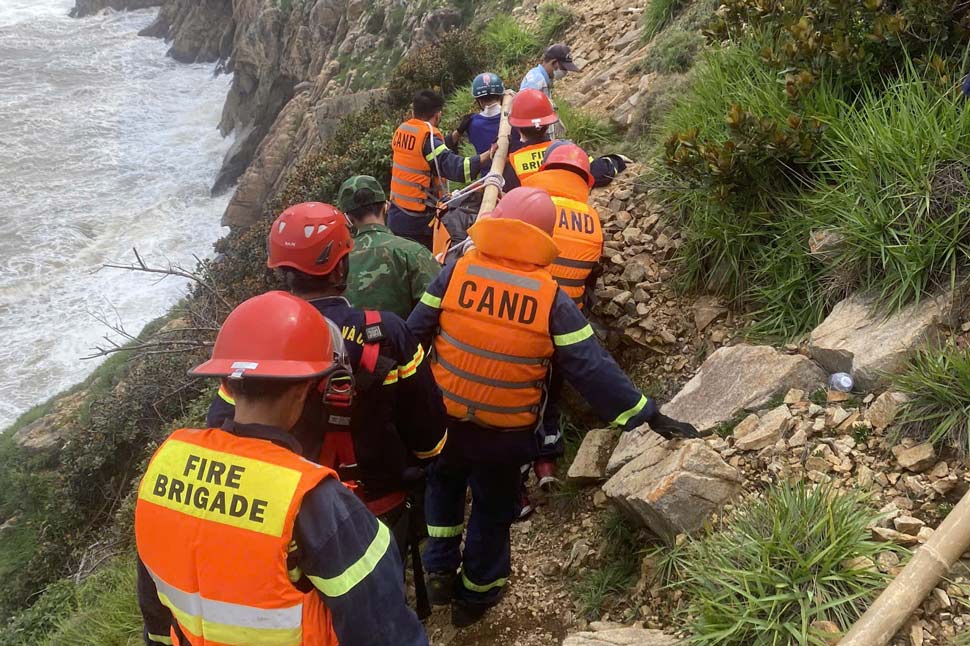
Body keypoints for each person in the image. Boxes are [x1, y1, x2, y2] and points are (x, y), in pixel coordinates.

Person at [407, 187, 699, 628]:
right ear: (544, 237)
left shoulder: (456, 272)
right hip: (503, 438)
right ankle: (475, 597)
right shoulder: (550, 297)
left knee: (443, 487)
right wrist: (648, 414)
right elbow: (592, 368)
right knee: (490, 508)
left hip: (444, 423)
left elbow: (414, 333)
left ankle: (440, 570)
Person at [135, 290, 428, 646]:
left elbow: (156, 620)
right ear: (307, 386)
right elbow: (385, 632)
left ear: (226, 382)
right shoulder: (317, 501)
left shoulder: (165, 468)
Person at [205, 203, 448, 611]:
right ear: (340, 269)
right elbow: (431, 438)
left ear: (282, 271)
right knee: (379, 612)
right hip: (378, 507)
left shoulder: (257, 344)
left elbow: (222, 427)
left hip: (286, 516)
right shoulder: (386, 333)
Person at [388, 89, 496, 250]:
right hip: (418, 222)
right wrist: (489, 154)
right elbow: (457, 168)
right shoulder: (427, 140)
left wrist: (457, 133)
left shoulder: (404, 131)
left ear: (413, 112)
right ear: (438, 115)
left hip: (397, 214)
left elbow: (431, 154)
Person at [338, 175, 441, 319]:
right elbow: (439, 307)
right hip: (406, 340)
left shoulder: (338, 263)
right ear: (386, 207)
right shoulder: (414, 253)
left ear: (348, 218)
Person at [504, 90, 630, 191]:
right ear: (548, 124)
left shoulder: (513, 163)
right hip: (571, 218)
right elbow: (600, 172)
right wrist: (616, 160)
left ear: (518, 128)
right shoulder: (568, 150)